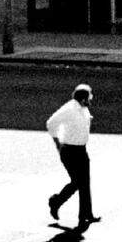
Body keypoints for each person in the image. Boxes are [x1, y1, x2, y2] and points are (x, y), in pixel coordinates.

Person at [46, 82, 98, 229]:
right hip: (69, 151)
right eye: (89, 97)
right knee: (77, 182)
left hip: (82, 150)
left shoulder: (83, 108)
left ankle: (86, 214)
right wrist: (57, 143)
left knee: (85, 183)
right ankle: (56, 201)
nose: (91, 100)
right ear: (83, 99)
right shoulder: (69, 109)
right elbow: (51, 123)